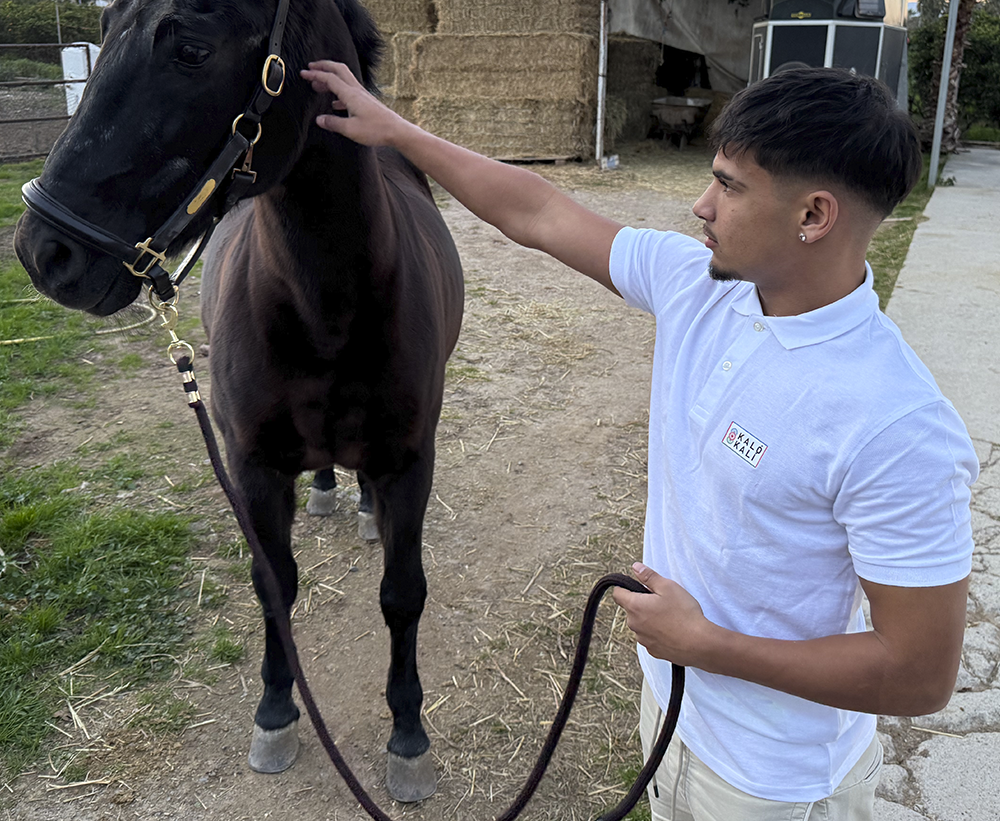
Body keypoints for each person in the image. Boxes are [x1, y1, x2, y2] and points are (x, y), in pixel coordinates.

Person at [300, 61, 976, 820]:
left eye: (729, 185)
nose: (701, 205)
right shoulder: (701, 288)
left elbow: (919, 675)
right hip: (671, 716)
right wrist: (393, 131)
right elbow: (539, 212)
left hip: (772, 784)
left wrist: (707, 645)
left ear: (814, 216)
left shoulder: (896, 423)